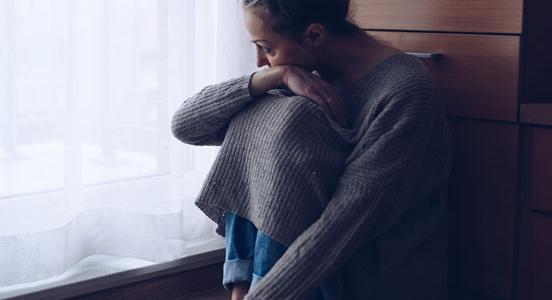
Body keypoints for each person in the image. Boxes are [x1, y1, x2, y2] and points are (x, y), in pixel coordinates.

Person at [170, 0, 453, 299]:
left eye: (266, 48)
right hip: (287, 274)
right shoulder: (303, 73)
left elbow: (341, 228)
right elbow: (185, 126)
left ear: (314, 36)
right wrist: (269, 79)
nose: (258, 61)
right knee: (262, 114)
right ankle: (242, 288)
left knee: (293, 120)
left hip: (368, 277)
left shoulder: (405, 92)